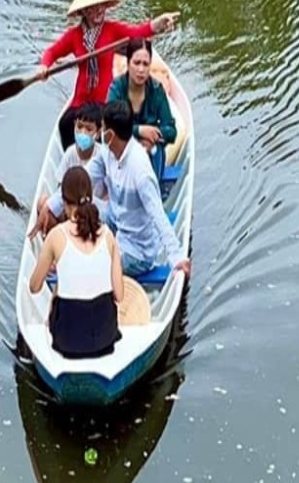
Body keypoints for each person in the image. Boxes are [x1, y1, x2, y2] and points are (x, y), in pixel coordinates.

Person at [48, 103, 190, 280]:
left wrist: (176, 257)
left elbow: (158, 215)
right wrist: (51, 206)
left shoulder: (140, 171)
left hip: (136, 252)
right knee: (83, 203)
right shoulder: (107, 152)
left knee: (91, 263)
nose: (100, 134)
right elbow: (81, 180)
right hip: (116, 222)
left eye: (103, 128)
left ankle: (66, 262)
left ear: (110, 135)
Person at [39, 0, 179, 148]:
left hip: (104, 100)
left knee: (102, 131)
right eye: (93, 8)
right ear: (83, 11)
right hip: (80, 100)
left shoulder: (112, 30)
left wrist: (158, 24)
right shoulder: (74, 36)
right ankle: (74, 163)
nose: (99, 11)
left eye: (101, 6)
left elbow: (138, 32)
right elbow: (52, 52)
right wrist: (44, 66)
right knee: (65, 125)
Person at [28, 164, 122, 358]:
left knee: (57, 291)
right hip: (106, 337)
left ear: (63, 202)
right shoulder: (108, 235)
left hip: (67, 340)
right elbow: (119, 295)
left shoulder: (56, 236)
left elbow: (34, 287)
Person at [32, 102, 109, 237]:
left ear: (98, 133)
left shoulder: (102, 156)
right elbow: (61, 187)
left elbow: (108, 194)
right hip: (70, 209)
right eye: (79, 127)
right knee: (43, 202)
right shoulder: (70, 153)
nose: (82, 133)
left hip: (93, 213)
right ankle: (59, 238)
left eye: (89, 129)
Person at [106, 37, 178, 179]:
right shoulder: (117, 88)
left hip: (150, 149)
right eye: (136, 63)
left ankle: (153, 187)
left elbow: (171, 131)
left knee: (156, 151)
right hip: (122, 148)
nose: (141, 69)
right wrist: (139, 131)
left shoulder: (157, 89)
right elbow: (108, 126)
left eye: (145, 64)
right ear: (128, 63)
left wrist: (153, 135)